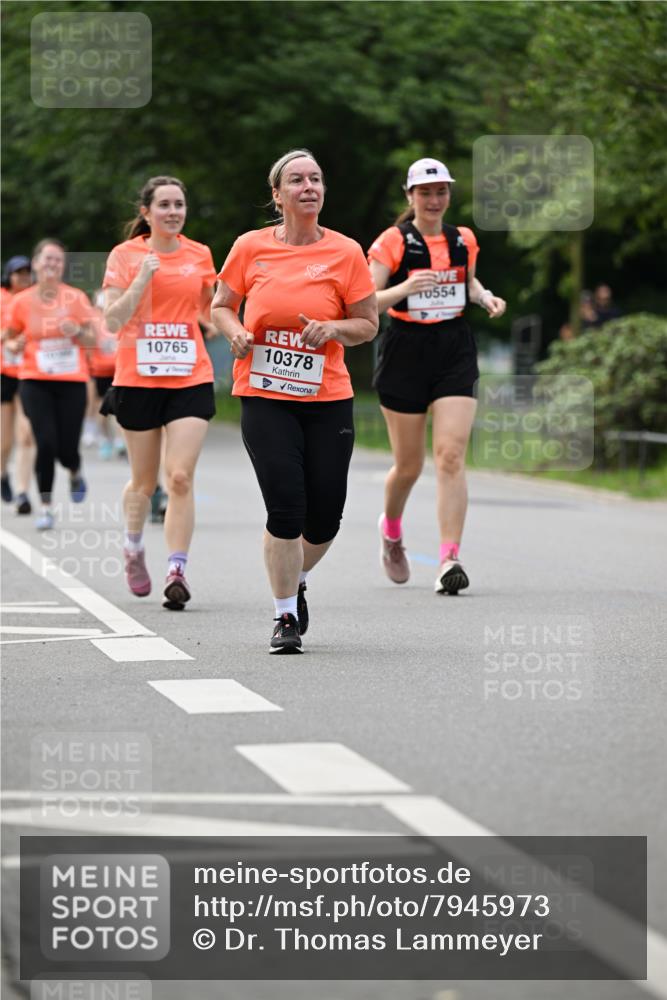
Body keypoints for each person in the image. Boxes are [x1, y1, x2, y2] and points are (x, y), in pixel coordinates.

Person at [211, 149, 378, 653]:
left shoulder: (346, 252)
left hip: (327, 397)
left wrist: (334, 328)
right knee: (285, 506)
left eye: (316, 179)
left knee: (325, 517)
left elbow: (368, 324)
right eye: (297, 180)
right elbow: (221, 306)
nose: (309, 187)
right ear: (277, 195)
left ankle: (295, 576)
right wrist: (236, 332)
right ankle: (284, 614)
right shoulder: (250, 247)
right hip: (265, 394)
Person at [368, 157, 506, 594]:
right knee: (409, 466)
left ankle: (450, 558)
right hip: (405, 349)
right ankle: (391, 531)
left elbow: (467, 282)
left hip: (453, 348)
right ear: (410, 196)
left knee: (450, 456)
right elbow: (366, 301)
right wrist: (405, 288)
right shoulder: (392, 241)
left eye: (441, 191)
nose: (433, 199)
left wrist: (485, 297)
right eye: (425, 192)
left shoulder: (463, 238)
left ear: (449, 194)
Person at [102, 175, 219, 610]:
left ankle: (177, 569)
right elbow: (112, 321)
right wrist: (141, 280)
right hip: (138, 378)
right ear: (146, 212)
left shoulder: (199, 254)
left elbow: (211, 309)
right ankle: (133, 546)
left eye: (179, 204)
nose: (173, 212)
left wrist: (226, 325)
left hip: (189, 375)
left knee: (180, 477)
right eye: (164, 205)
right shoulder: (125, 255)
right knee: (144, 481)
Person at [5, 240, 95, 530]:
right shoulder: (22, 301)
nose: (52, 264)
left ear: (63, 266)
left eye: (57, 260)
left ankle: (74, 469)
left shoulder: (76, 298)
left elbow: (94, 340)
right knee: (44, 442)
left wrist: (78, 331)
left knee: (66, 448)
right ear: (36, 263)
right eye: (47, 259)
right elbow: (8, 336)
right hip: (34, 381)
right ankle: (45, 507)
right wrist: (14, 344)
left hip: (71, 382)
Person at [0, 255, 35, 514]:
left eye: (26, 273)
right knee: (5, 439)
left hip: (29, 373)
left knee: (26, 434)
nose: (23, 277)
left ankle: (23, 492)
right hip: (4, 372)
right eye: (18, 273)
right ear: (9, 276)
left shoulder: (36, 299)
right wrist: (9, 339)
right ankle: (2, 473)